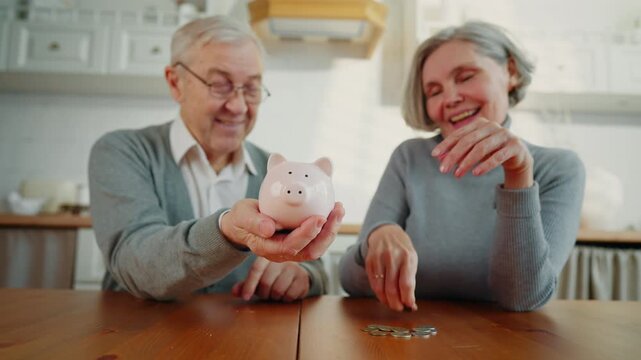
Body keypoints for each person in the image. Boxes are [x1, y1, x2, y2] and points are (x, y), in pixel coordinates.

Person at [89, 16, 344, 302]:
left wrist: (302, 275)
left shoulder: (275, 175)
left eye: (251, 89)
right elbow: (134, 261)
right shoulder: (123, 152)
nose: (237, 106)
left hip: (242, 341)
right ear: (176, 83)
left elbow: (316, 270)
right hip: (136, 337)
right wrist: (227, 233)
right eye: (220, 85)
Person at [339, 21, 585, 312]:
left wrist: (518, 178)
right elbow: (351, 281)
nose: (451, 99)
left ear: (511, 72)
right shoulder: (410, 158)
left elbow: (522, 297)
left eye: (466, 77)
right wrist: (377, 237)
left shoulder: (557, 168)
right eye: (434, 91)